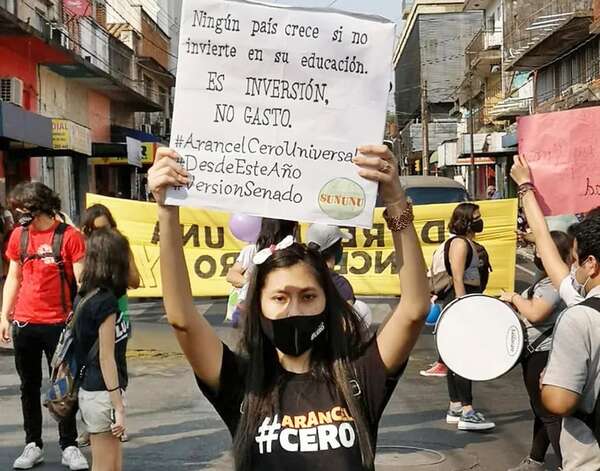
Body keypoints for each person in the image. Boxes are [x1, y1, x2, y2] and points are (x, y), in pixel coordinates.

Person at [148, 145, 430, 470]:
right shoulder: (242, 383)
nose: (293, 309)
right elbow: (182, 318)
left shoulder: (358, 376)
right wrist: (167, 210)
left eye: (308, 296)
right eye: (280, 298)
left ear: (328, 302)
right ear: (259, 305)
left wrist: (395, 201)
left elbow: (414, 308)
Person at [511, 155, 600, 469]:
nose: (570, 267)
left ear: (591, 264)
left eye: (575, 260)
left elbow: (559, 401)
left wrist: (550, 381)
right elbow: (547, 249)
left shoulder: (581, 314)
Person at [0, 182, 89, 470]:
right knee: (29, 386)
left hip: (59, 325)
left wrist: (83, 321)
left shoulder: (70, 237)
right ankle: (33, 444)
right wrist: (4, 315)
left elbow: (83, 283)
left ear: (39, 206)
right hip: (25, 323)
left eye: (23, 208)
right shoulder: (19, 236)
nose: (18, 213)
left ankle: (69, 445)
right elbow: (13, 277)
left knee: (64, 387)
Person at [500, 231, 571, 471]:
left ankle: (568, 464)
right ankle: (535, 459)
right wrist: (530, 237)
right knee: (541, 410)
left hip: (543, 353)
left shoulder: (554, 284)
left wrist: (514, 298)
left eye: (541, 250)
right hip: (535, 352)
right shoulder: (550, 278)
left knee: (548, 413)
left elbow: (535, 313)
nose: (536, 254)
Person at [79, 204, 140, 446]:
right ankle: (95, 424)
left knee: (115, 365)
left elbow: (135, 279)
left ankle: (114, 418)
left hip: (118, 314)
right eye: (95, 231)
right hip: (93, 316)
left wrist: (117, 268)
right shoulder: (87, 251)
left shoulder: (119, 247)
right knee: (92, 368)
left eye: (106, 229)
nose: (102, 236)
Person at [74, 228, 130, 471]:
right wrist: (118, 406)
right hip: (102, 392)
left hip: (94, 390)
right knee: (106, 466)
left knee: (111, 465)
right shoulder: (105, 301)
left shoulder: (86, 295)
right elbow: (106, 358)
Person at [438, 203, 495, 431]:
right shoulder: (460, 244)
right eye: (477, 217)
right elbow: (458, 277)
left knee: (455, 357)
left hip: (468, 298)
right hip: (461, 298)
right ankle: (467, 410)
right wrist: (463, 306)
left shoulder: (469, 243)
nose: (480, 220)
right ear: (466, 221)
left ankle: (455, 405)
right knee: (463, 357)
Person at [226, 218, 298, 326]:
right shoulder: (252, 250)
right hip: (251, 309)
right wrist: (252, 284)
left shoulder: (293, 254)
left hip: (280, 310)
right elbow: (232, 275)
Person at [306, 224, 373, 329]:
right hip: (328, 338)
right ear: (336, 250)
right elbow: (346, 324)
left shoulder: (299, 275)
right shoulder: (340, 284)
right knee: (361, 309)